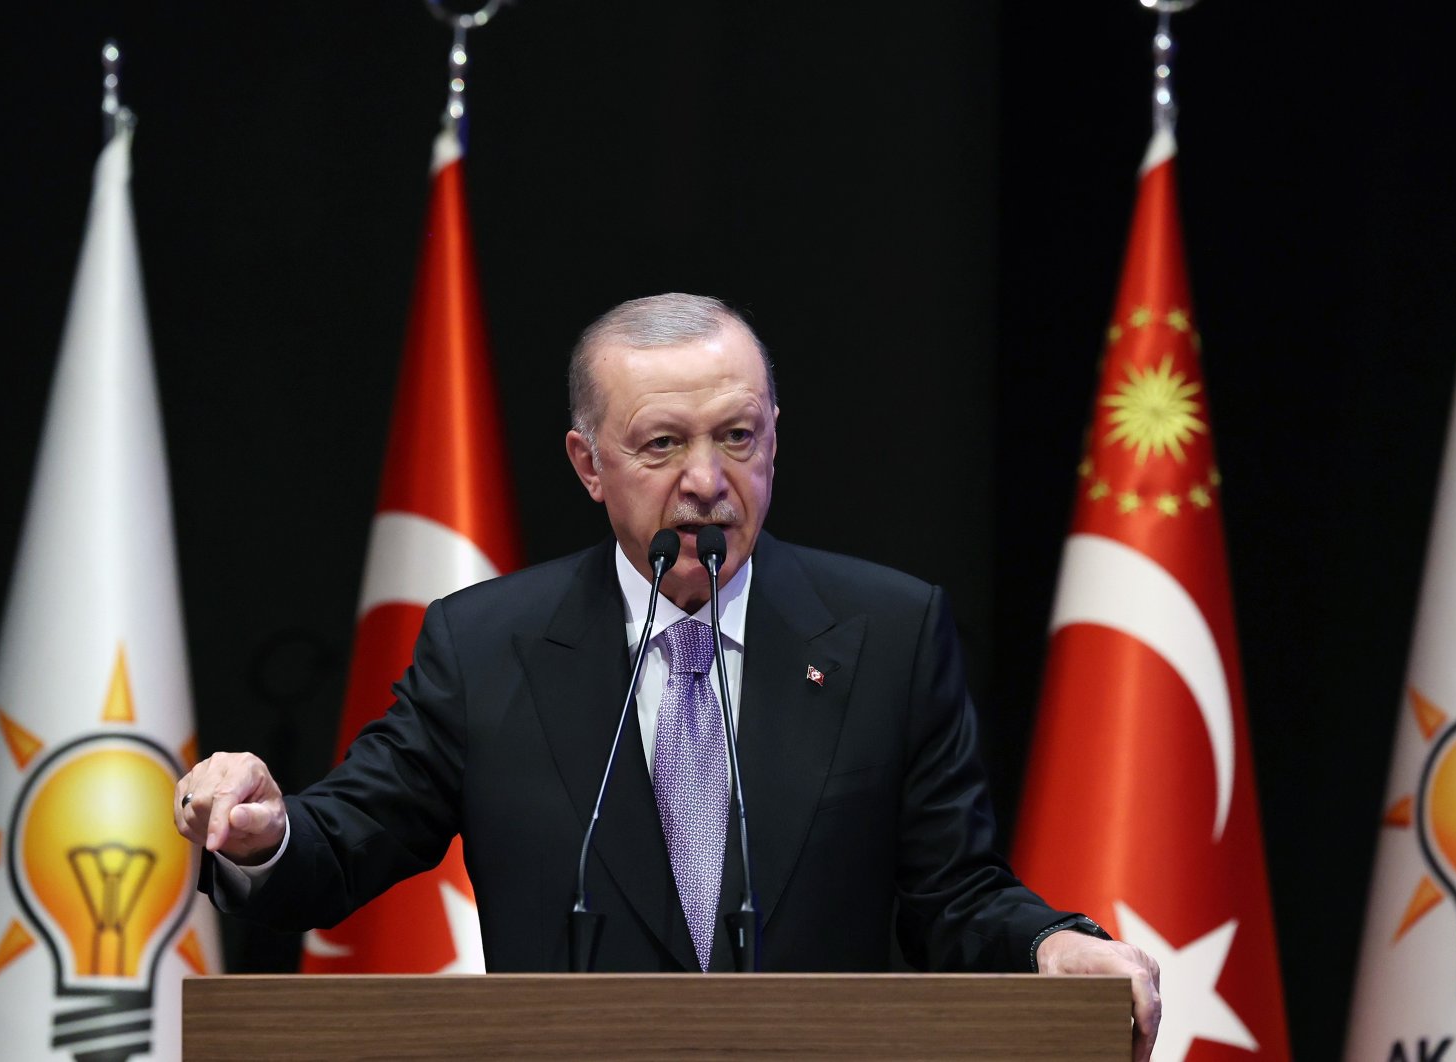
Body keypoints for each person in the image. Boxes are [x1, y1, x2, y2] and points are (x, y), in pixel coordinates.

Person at [175, 293, 1160, 1057]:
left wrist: (1049, 947)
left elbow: (952, 893)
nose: (705, 479)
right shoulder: (486, 648)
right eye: (661, 443)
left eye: (738, 436)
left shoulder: (888, 634)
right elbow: (344, 842)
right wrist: (266, 834)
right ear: (588, 463)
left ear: (775, 434)